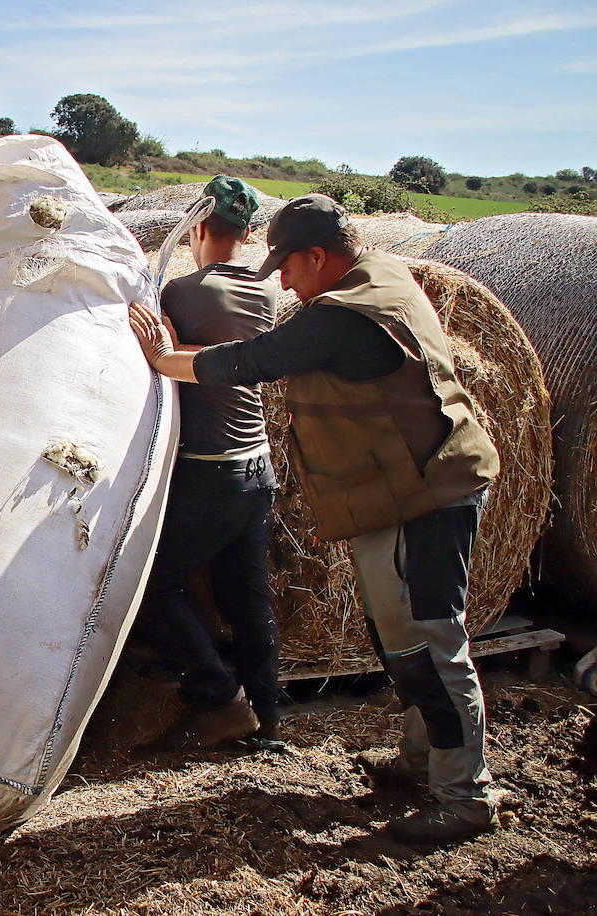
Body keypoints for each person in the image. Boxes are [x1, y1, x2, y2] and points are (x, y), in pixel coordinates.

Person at [128, 193, 501, 847]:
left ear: (320, 256)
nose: (284, 282)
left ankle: (464, 795)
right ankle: (423, 761)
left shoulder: (343, 315)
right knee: (402, 640)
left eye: (290, 267)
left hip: (425, 495)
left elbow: (252, 362)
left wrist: (165, 360)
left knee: (429, 643)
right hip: (418, 483)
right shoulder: (384, 274)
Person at [130, 176, 282, 748]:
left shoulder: (184, 294)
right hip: (258, 468)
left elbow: (158, 352)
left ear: (197, 228)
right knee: (247, 598)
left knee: (153, 587)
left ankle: (219, 698)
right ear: (249, 233)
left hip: (210, 470)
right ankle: (269, 718)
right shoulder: (270, 296)